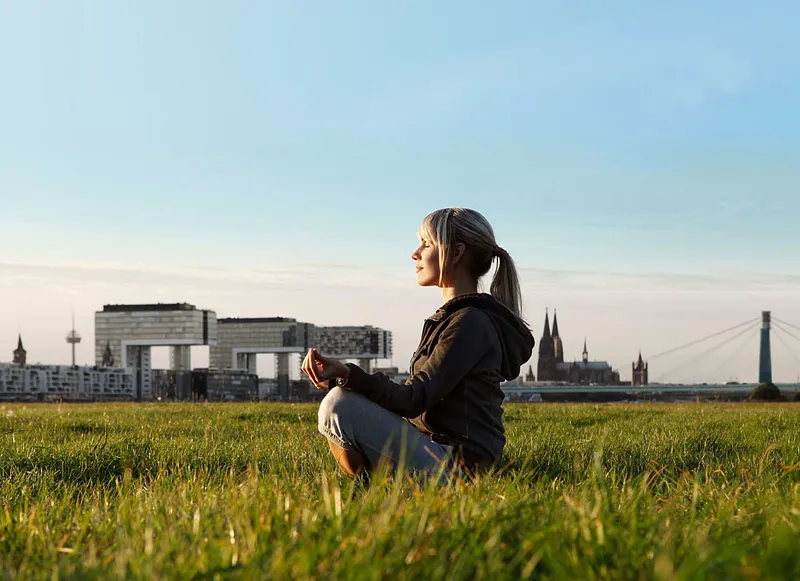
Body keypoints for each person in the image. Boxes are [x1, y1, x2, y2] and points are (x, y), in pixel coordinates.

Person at [302, 208, 535, 481]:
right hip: (440, 452)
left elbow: (414, 399)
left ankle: (372, 487)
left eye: (426, 243)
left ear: (457, 252)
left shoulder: (470, 323)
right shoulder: (456, 319)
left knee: (338, 405)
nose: (415, 253)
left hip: (460, 466)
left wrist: (347, 374)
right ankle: (375, 486)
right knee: (343, 397)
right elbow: (414, 403)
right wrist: (343, 378)